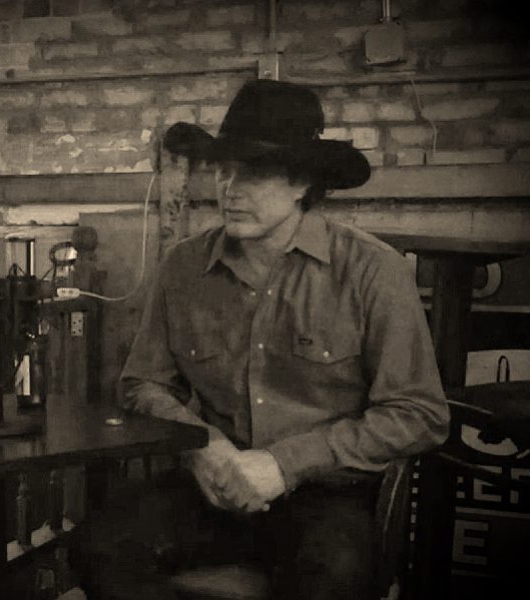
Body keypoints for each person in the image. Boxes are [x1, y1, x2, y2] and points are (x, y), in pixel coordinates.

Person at [72, 79, 450, 600]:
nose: (230, 188)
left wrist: (284, 464)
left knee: (332, 575)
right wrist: (204, 447)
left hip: (324, 493)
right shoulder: (183, 268)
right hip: (213, 484)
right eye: (223, 170)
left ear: (302, 183)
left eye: (253, 173)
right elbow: (141, 384)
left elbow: (419, 414)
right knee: (97, 545)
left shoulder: (372, 271)